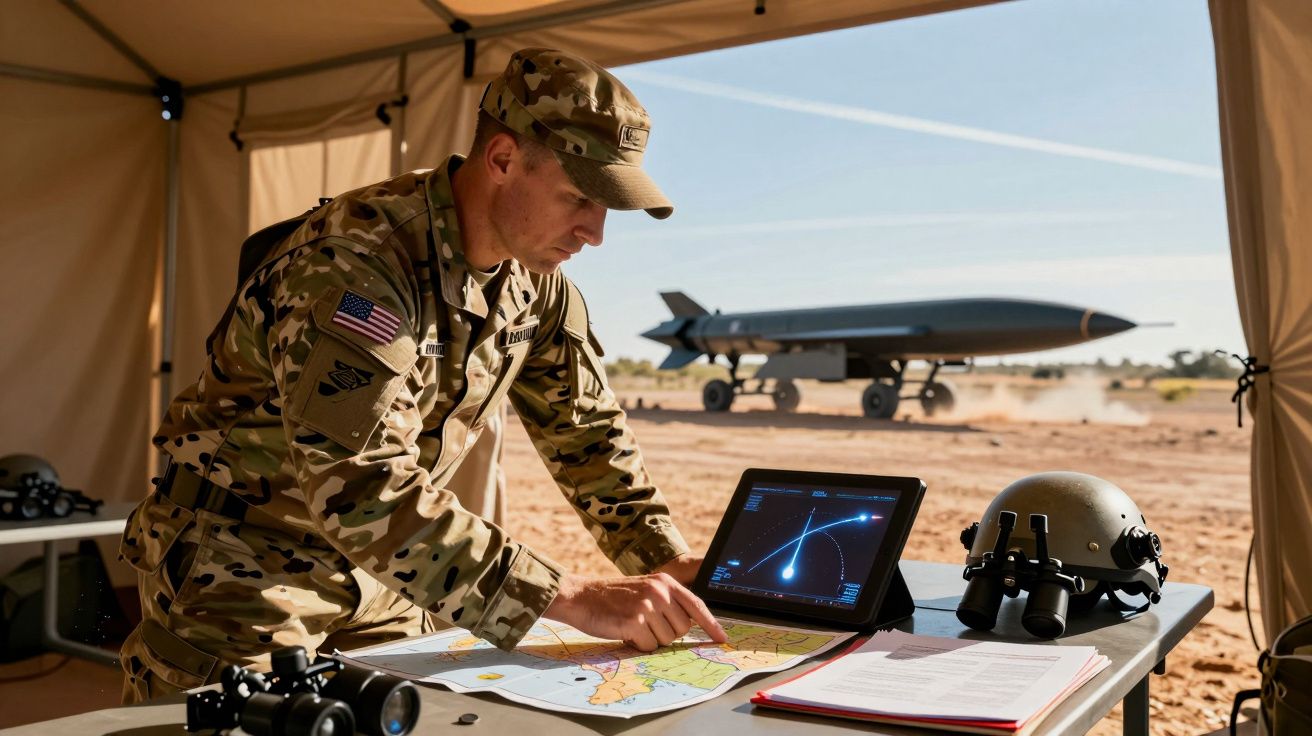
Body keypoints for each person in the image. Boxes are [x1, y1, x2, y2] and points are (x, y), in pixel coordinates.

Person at [118, 47, 726, 703]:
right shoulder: (359, 261)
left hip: (387, 570)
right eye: (579, 197)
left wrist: (667, 562)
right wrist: (567, 596)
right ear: (501, 160)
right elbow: (358, 485)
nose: (595, 233)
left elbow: (587, 439)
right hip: (243, 563)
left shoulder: (539, 287)